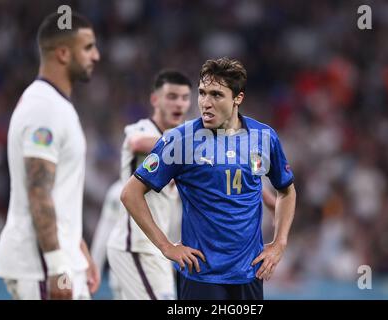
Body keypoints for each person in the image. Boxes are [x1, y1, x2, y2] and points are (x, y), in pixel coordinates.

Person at [120, 57, 297, 300]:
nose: (205, 102)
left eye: (216, 94)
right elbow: (130, 193)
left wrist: (279, 244)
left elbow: (286, 190)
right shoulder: (180, 140)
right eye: (202, 93)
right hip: (201, 276)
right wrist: (166, 246)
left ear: (238, 98)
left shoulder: (264, 137)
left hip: (250, 273)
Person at [0, 11, 100, 300]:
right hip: (42, 264)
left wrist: (78, 250)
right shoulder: (44, 108)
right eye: (88, 47)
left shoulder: (55, 105)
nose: (96, 56)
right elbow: (38, 190)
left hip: (59, 259)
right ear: (64, 53)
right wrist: (57, 266)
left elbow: (58, 192)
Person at [106, 70, 192, 300]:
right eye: (172, 96)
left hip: (157, 248)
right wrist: (195, 146)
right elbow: (136, 143)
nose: (179, 104)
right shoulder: (143, 129)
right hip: (135, 246)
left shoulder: (183, 145)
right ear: (155, 99)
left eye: (184, 98)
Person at [90, 180, 123, 300]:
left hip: (165, 272)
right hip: (124, 274)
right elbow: (104, 233)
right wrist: (94, 270)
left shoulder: (180, 189)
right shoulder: (118, 191)